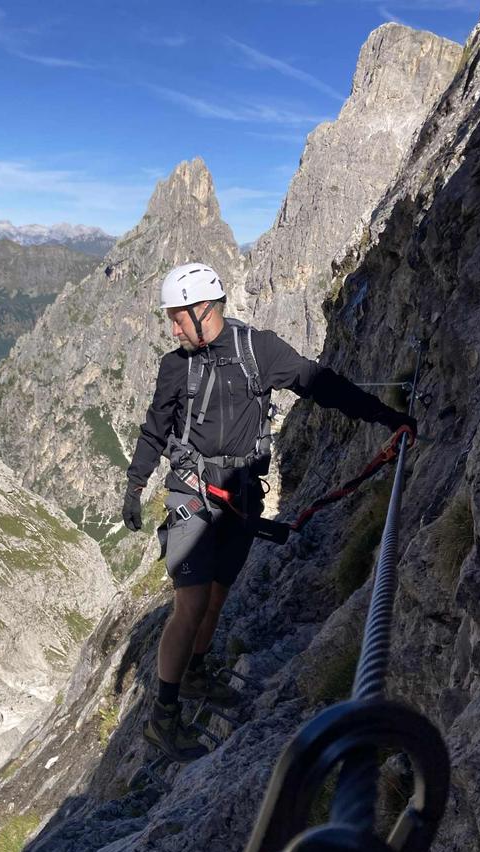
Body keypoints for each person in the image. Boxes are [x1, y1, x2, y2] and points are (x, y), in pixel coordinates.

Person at [122, 262, 416, 763]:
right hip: (191, 494)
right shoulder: (176, 366)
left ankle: (194, 673)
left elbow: (320, 384)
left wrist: (386, 417)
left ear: (204, 311)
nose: (172, 329)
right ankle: (162, 717)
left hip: (239, 500)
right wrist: (135, 484)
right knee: (190, 604)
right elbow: (155, 429)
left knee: (215, 599)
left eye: (176, 318)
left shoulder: (259, 350)